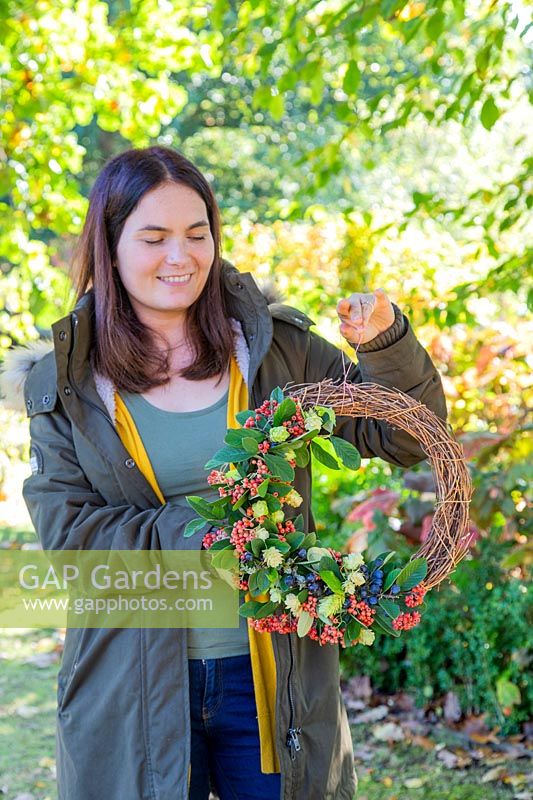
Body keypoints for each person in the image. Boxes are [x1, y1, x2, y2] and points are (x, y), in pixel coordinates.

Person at [2, 146, 448, 800]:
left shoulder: (275, 351)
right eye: (153, 237)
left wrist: (385, 343)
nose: (179, 257)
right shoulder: (68, 384)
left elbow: (407, 439)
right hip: (131, 686)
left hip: (273, 680)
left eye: (196, 234)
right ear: (111, 246)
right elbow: (73, 541)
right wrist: (219, 531)